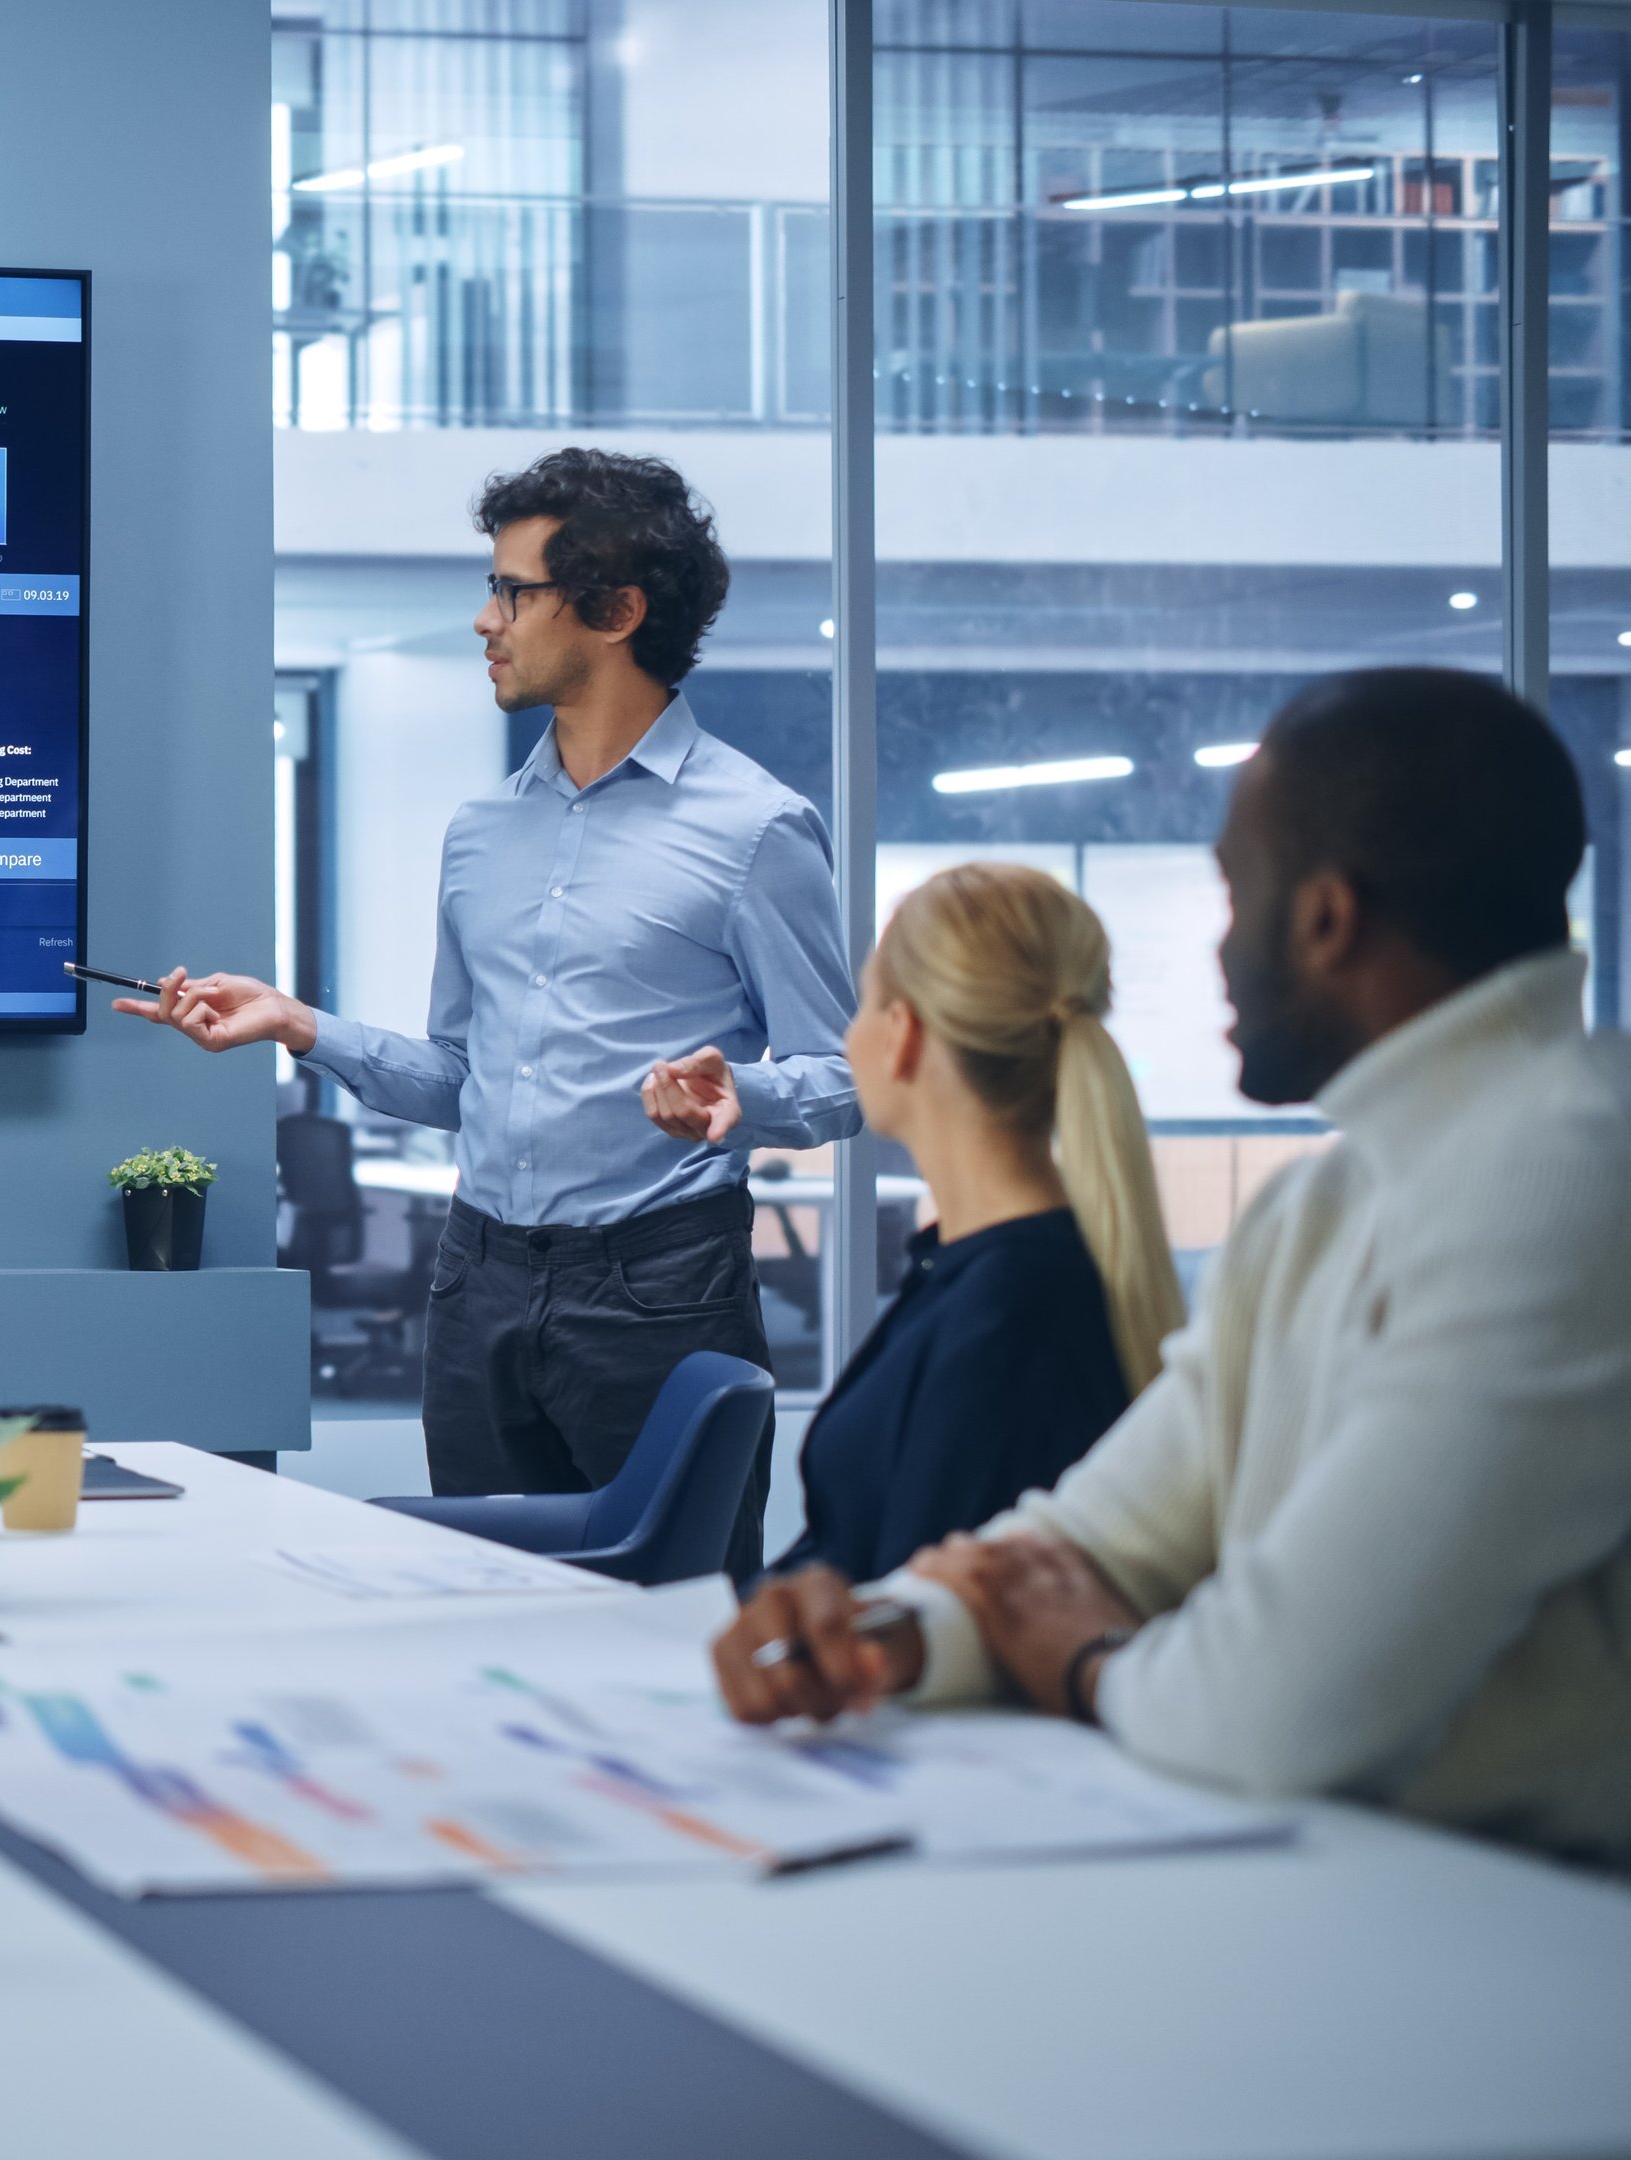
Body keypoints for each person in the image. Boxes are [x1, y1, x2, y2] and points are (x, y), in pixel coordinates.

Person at [716, 668, 1631, 1872]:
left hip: (1519, 1933)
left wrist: (1089, 1663)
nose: (1219, 947)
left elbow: (1279, 1696)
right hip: (1350, 1890)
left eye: (1233, 893)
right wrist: (884, 1633)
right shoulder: (1323, 1203)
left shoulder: (1567, 1181)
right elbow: (1094, 1539)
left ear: (1327, 920)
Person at [120, 449, 856, 1577]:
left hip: (660, 1291)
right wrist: (298, 1024)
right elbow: (460, 1077)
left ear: (617, 611)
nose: (485, 620)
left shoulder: (757, 829)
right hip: (478, 1281)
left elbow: (844, 1077)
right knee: (478, 1598)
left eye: (514, 592)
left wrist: (737, 1098)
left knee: (671, 1619)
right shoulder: (480, 834)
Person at [760, 862, 1180, 1582]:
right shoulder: (986, 1274)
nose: (850, 1038)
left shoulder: (1011, 1319)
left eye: (863, 1005)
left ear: (901, 1035)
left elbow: (908, 1619)